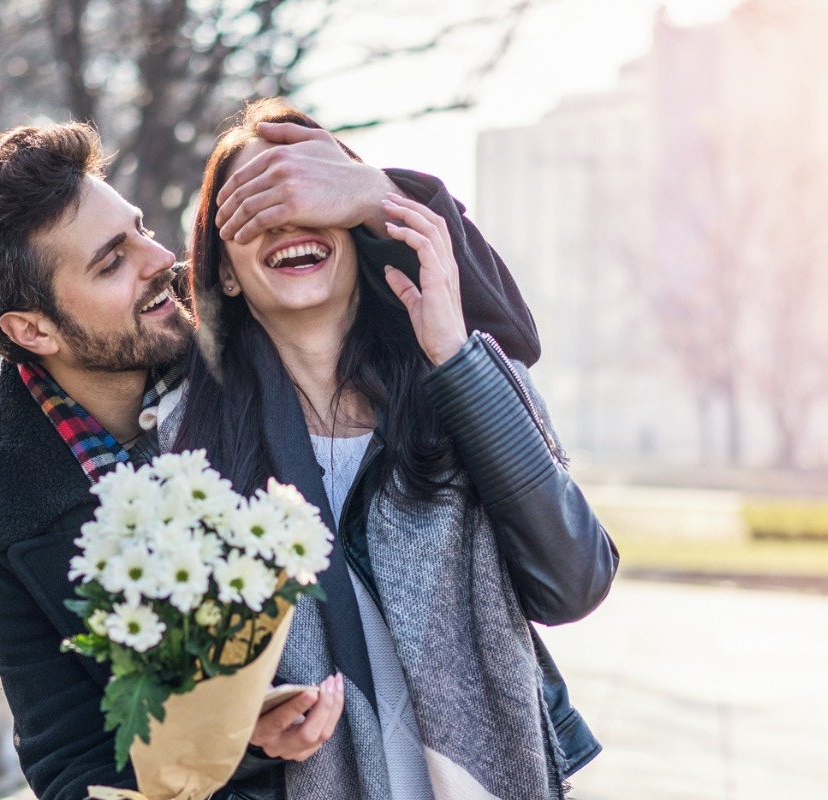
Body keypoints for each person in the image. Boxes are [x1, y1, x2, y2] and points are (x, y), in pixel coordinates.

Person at [0, 118, 546, 799]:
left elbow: (501, 334)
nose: (160, 257)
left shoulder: (242, 313)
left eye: (139, 228)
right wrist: (234, 742)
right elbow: (69, 762)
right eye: (111, 261)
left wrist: (381, 194)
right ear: (32, 329)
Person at [161, 99, 619, 799]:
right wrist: (251, 733)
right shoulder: (185, 450)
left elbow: (574, 581)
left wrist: (453, 352)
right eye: (256, 207)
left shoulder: (464, 386)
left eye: (314, 197)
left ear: (356, 233)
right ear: (224, 272)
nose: (287, 221)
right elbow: (178, 702)